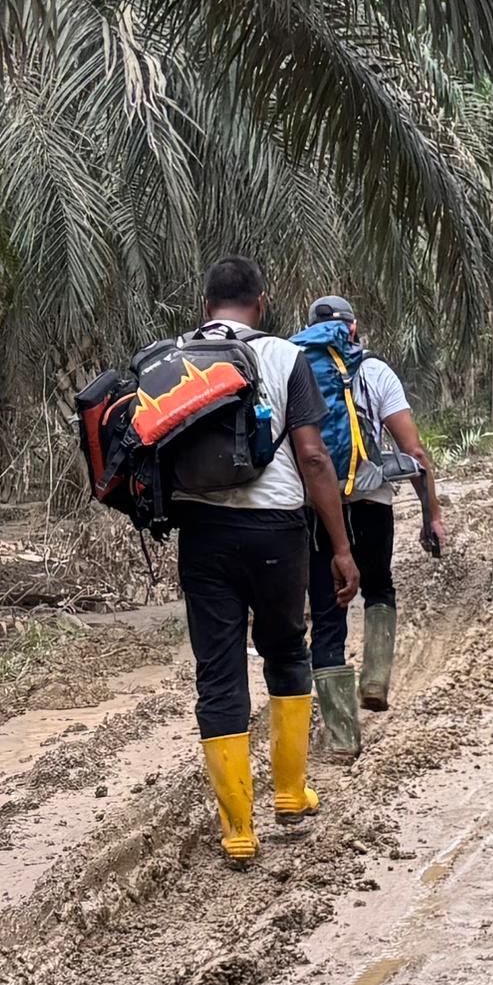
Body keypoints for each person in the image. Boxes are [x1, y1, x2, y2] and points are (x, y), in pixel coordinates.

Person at [168, 259, 357, 863]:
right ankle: (290, 793)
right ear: (262, 301)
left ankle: (237, 830)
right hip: (276, 529)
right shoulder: (284, 357)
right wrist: (341, 547)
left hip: (201, 530)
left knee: (218, 672)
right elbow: (313, 457)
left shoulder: (177, 356)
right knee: (285, 650)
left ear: (206, 305)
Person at [301, 295, 444, 753]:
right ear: (354, 328)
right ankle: (376, 682)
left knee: (327, 610)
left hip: (316, 506)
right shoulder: (376, 372)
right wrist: (432, 513)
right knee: (378, 585)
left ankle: (342, 737)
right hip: (371, 500)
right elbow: (415, 453)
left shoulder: (295, 370)